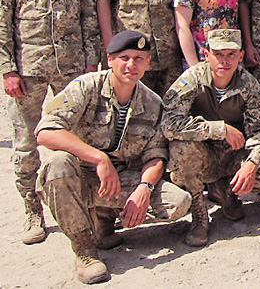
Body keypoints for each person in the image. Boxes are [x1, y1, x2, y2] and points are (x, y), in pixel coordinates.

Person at [36, 30, 191, 284]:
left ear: (148, 63)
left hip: (116, 181)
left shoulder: (152, 103)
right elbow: (45, 131)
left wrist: (144, 187)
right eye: (125, 58)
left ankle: (104, 219)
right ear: (110, 59)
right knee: (57, 164)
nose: (132, 65)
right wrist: (99, 158)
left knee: (178, 202)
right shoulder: (86, 86)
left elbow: (156, 155)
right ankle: (84, 250)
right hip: (78, 178)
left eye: (139, 59)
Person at [0, 0, 100, 245]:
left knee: (81, 136)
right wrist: (7, 68)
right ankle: (32, 209)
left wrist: (92, 59)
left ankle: (90, 207)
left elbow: (89, 14)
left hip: (72, 66)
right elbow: (2, 20)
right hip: (28, 68)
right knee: (27, 143)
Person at [162, 28, 260, 247]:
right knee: (181, 147)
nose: (224, 61)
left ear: (240, 56)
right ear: (206, 54)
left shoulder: (248, 83)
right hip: (203, 154)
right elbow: (169, 123)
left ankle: (228, 192)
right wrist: (218, 129)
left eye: (231, 54)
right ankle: (199, 214)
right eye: (218, 54)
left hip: (234, 154)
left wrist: (251, 163)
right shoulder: (193, 79)